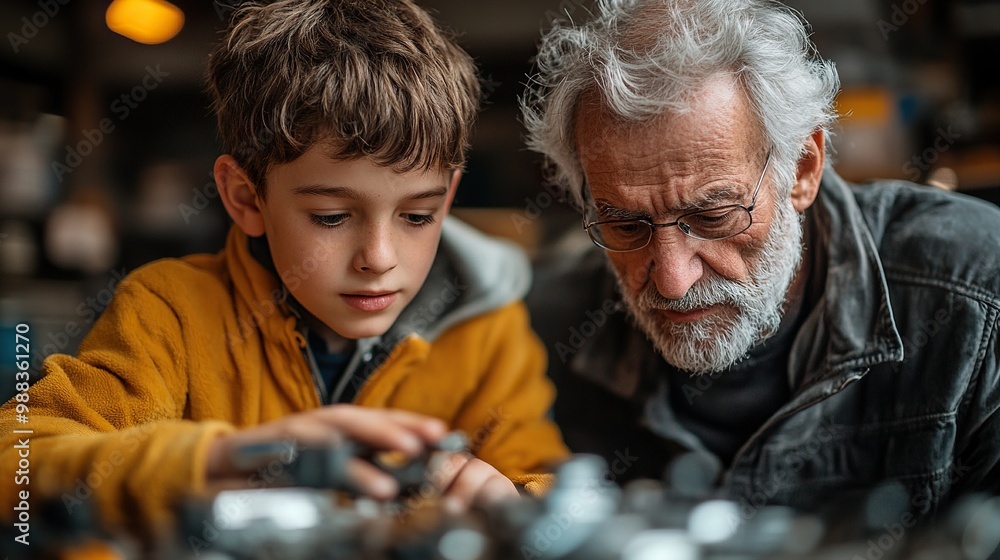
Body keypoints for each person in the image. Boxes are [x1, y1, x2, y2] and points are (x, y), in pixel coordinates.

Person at [0, 0, 567, 540]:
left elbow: (558, 493)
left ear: (446, 201)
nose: (380, 257)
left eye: (417, 215)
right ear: (246, 198)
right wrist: (218, 462)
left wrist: (513, 500)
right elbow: (17, 465)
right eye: (331, 216)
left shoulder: (486, 333)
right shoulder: (166, 312)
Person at [522, 0, 1000, 519]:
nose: (674, 281)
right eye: (626, 225)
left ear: (802, 169)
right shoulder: (537, 331)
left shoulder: (978, 305)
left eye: (713, 216)